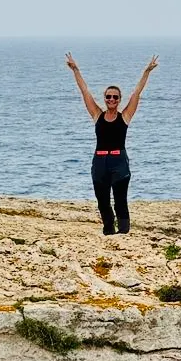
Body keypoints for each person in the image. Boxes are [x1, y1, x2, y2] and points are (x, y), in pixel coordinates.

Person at [65, 52, 158, 235]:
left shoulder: (125, 116)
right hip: (99, 163)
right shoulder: (97, 115)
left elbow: (137, 93)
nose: (112, 100)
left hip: (119, 162)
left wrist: (147, 71)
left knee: (120, 199)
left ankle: (123, 232)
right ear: (105, 98)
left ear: (119, 100)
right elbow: (85, 92)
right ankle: (108, 230)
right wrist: (75, 69)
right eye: (108, 97)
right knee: (102, 200)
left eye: (115, 97)